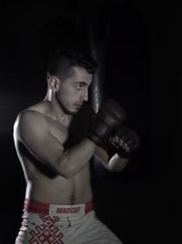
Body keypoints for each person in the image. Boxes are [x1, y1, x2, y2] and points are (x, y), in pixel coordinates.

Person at [12, 48, 140, 244]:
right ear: (54, 83)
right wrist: (101, 129)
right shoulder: (29, 120)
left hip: (86, 221)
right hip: (46, 224)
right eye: (79, 86)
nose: (86, 96)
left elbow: (112, 164)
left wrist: (123, 152)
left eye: (88, 87)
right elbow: (65, 167)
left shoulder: (84, 116)